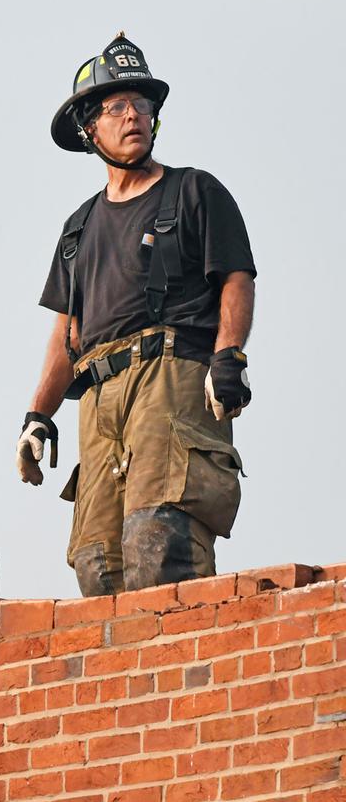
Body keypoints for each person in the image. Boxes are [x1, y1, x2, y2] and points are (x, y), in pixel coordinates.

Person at [17, 33, 256, 597]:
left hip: (170, 380)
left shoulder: (194, 191)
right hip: (98, 397)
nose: (133, 117)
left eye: (142, 105)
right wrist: (37, 416)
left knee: (159, 541)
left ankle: (185, 674)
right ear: (88, 129)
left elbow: (236, 279)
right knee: (97, 563)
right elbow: (65, 337)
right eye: (117, 107)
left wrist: (229, 357)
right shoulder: (77, 230)